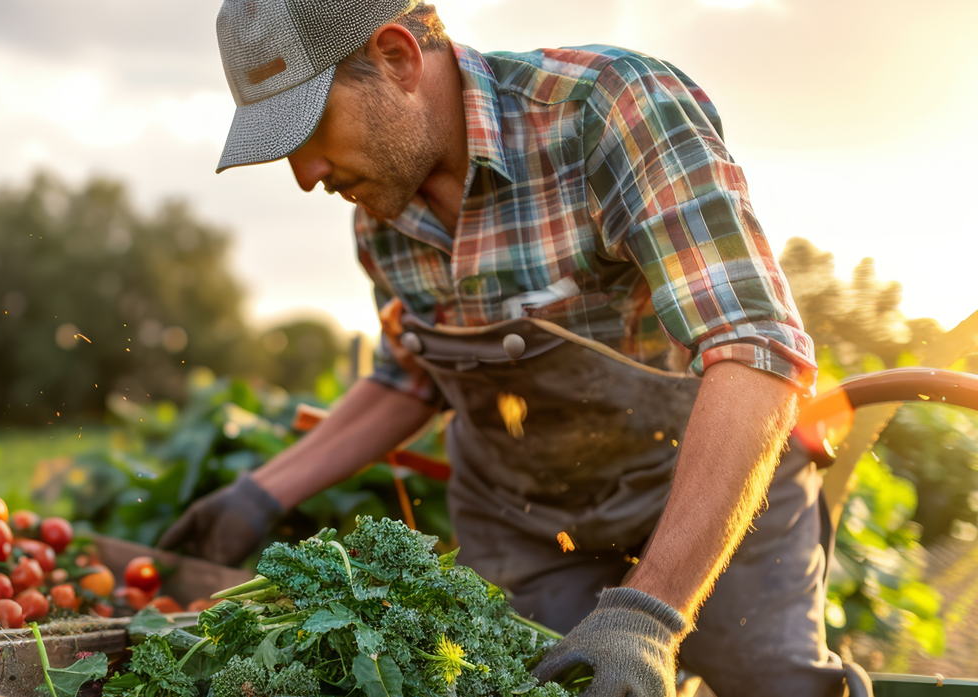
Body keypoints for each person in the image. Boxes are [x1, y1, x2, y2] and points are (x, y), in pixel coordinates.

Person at [157, 2, 871, 695]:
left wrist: (647, 609)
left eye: (308, 126)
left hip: (703, 488)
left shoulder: (608, 109)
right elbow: (409, 380)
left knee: (774, 683)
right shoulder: (380, 212)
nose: (305, 173)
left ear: (398, 57)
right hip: (525, 521)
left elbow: (754, 346)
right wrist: (259, 493)